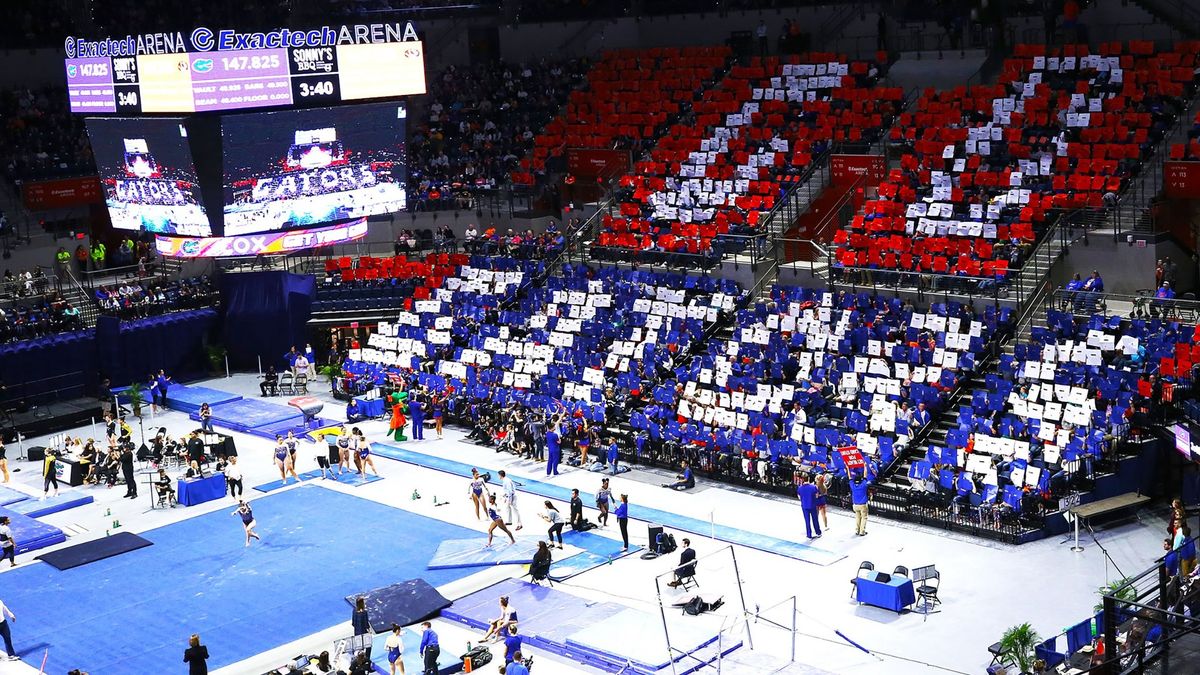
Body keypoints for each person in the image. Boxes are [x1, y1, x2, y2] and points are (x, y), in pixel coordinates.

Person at [850, 466, 874, 536]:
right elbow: (865, 475)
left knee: (857, 517)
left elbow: (849, 477)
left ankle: (857, 530)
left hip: (855, 505)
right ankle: (862, 531)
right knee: (864, 517)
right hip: (863, 505)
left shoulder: (852, 485)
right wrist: (865, 466)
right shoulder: (863, 484)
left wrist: (847, 468)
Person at [796, 474, 821, 539]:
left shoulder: (800, 488)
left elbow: (799, 497)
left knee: (807, 521)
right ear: (808, 478)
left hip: (804, 506)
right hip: (812, 505)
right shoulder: (814, 487)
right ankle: (818, 532)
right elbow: (817, 496)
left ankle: (809, 534)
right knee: (815, 519)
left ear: (802, 480)